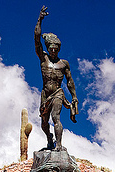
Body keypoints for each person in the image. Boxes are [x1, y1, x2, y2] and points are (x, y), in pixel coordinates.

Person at [35, 6, 78, 151]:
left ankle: (59, 145)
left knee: (56, 118)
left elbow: (69, 81)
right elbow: (36, 39)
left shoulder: (63, 63)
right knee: (44, 123)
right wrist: (40, 20)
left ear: (58, 49)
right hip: (45, 94)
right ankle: (49, 138)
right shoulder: (43, 58)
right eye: (51, 48)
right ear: (48, 48)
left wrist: (74, 97)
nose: (53, 51)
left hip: (58, 93)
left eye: (56, 49)